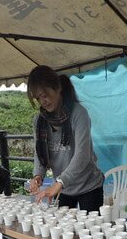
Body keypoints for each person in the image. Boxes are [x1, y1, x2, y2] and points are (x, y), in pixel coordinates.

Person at [27, 65, 104, 212]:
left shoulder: (78, 114)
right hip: (64, 188)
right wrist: (38, 175)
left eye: (45, 95)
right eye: (38, 98)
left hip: (88, 186)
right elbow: (40, 152)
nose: (43, 101)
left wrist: (59, 182)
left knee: (90, 232)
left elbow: (82, 155)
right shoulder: (39, 121)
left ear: (57, 87)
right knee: (64, 231)